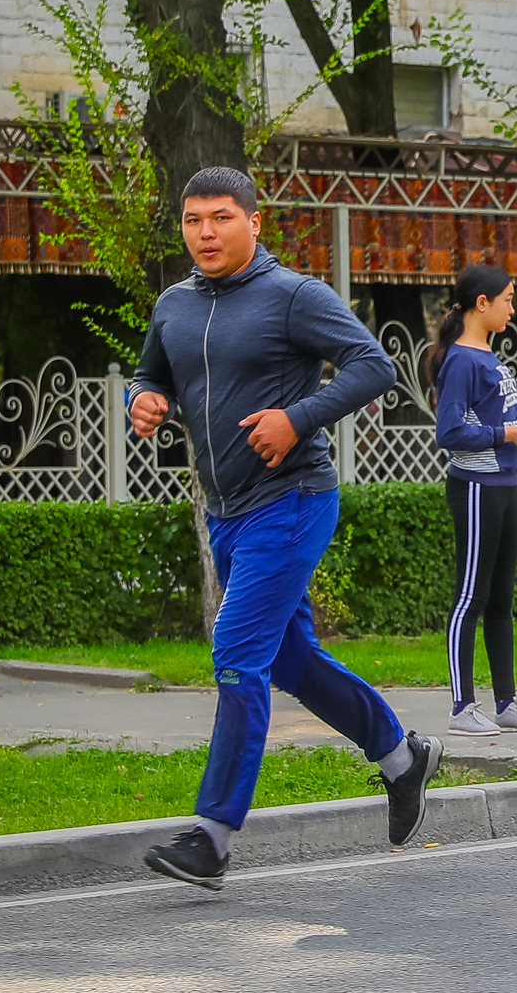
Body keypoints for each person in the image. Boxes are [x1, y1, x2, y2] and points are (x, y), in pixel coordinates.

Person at [132, 168, 438, 890]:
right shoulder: (173, 305)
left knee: (237, 652)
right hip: (227, 511)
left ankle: (212, 835)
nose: (205, 232)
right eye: (192, 220)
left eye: (220, 218)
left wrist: (297, 418)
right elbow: (152, 376)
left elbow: (374, 366)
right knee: (289, 660)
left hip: (293, 497)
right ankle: (401, 757)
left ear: (254, 222)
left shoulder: (293, 296)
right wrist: (141, 399)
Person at [424, 263, 517, 737]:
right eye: (508, 299)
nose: (513, 308)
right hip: (476, 489)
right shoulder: (461, 359)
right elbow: (452, 432)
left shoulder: (488, 356)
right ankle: (463, 708)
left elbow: (504, 421)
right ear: (483, 303)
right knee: (470, 597)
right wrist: (509, 431)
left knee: (501, 600)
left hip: (504, 487)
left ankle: (506, 703)